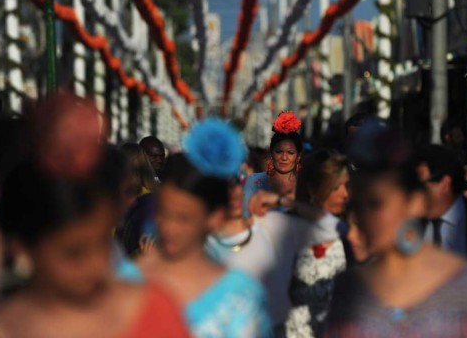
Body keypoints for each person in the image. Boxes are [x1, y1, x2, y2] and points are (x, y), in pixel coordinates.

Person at [324, 126, 467, 337]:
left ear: (415, 203)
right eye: (356, 206)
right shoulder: (348, 288)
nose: (365, 218)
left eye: (376, 204)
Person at [0, 160, 190, 338]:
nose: (95, 264)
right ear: (22, 248)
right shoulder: (2, 328)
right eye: (74, 253)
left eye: (103, 243)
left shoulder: (152, 312)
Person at [137, 119, 270, 337]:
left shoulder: (239, 296)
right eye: (163, 214)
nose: (170, 228)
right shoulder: (128, 281)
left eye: (183, 218)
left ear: (214, 217)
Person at [205, 164, 340, 332]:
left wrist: (283, 201)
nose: (232, 193)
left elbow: (333, 228)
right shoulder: (202, 245)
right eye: (222, 188)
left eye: (235, 183)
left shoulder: (271, 225)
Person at [284, 150, 350, 337]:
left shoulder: (349, 233)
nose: (345, 194)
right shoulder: (287, 230)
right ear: (312, 189)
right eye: (336, 187)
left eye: (347, 186)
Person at [243, 111, 303, 214]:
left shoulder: (305, 184)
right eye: (279, 152)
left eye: (290, 153)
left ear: (298, 157)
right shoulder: (254, 181)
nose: (284, 157)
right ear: (271, 153)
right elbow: (246, 214)